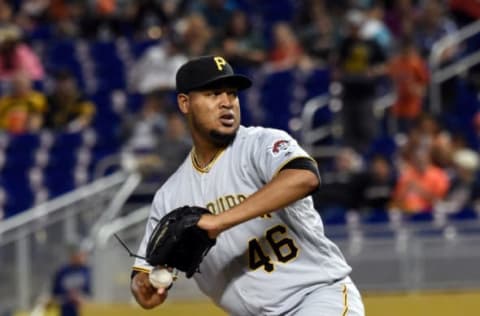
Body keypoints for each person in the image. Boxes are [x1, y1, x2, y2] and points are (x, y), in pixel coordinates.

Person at [130, 56, 365, 316]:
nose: (226, 102)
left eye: (232, 94)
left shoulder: (260, 144)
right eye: (213, 93)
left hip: (316, 298)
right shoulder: (170, 196)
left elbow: (304, 177)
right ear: (185, 103)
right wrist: (144, 286)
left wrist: (217, 222)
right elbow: (145, 273)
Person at [51, 244, 91, 316]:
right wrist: (67, 297)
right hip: (65, 309)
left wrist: (81, 297)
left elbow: (89, 292)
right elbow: (55, 293)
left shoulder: (86, 271)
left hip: (82, 309)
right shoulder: (62, 271)